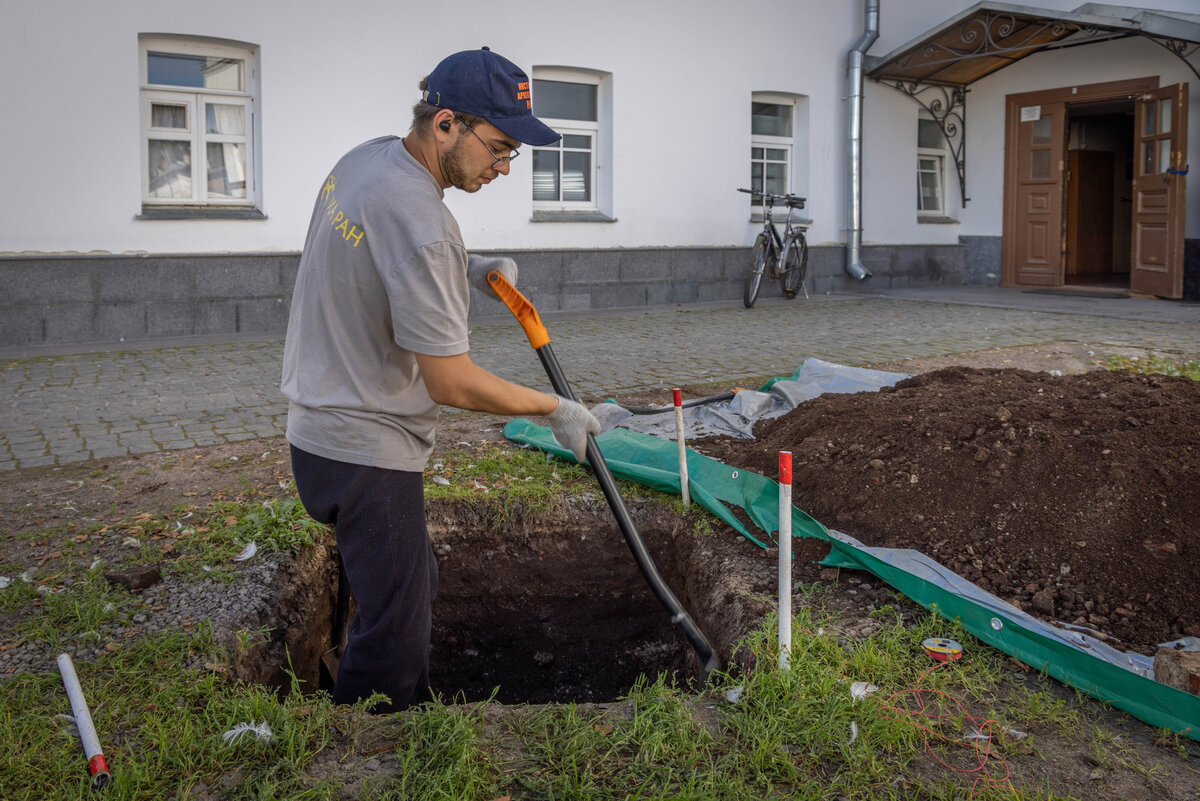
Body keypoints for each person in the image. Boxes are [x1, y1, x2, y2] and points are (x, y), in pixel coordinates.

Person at [280, 47, 601, 713]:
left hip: (317, 427)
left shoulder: (368, 160)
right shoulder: (427, 225)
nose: (506, 167)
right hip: (366, 446)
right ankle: (364, 748)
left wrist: (468, 265)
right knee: (396, 637)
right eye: (500, 147)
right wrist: (553, 408)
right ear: (447, 123)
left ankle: (365, 686)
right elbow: (451, 381)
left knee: (412, 579)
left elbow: (384, 252)